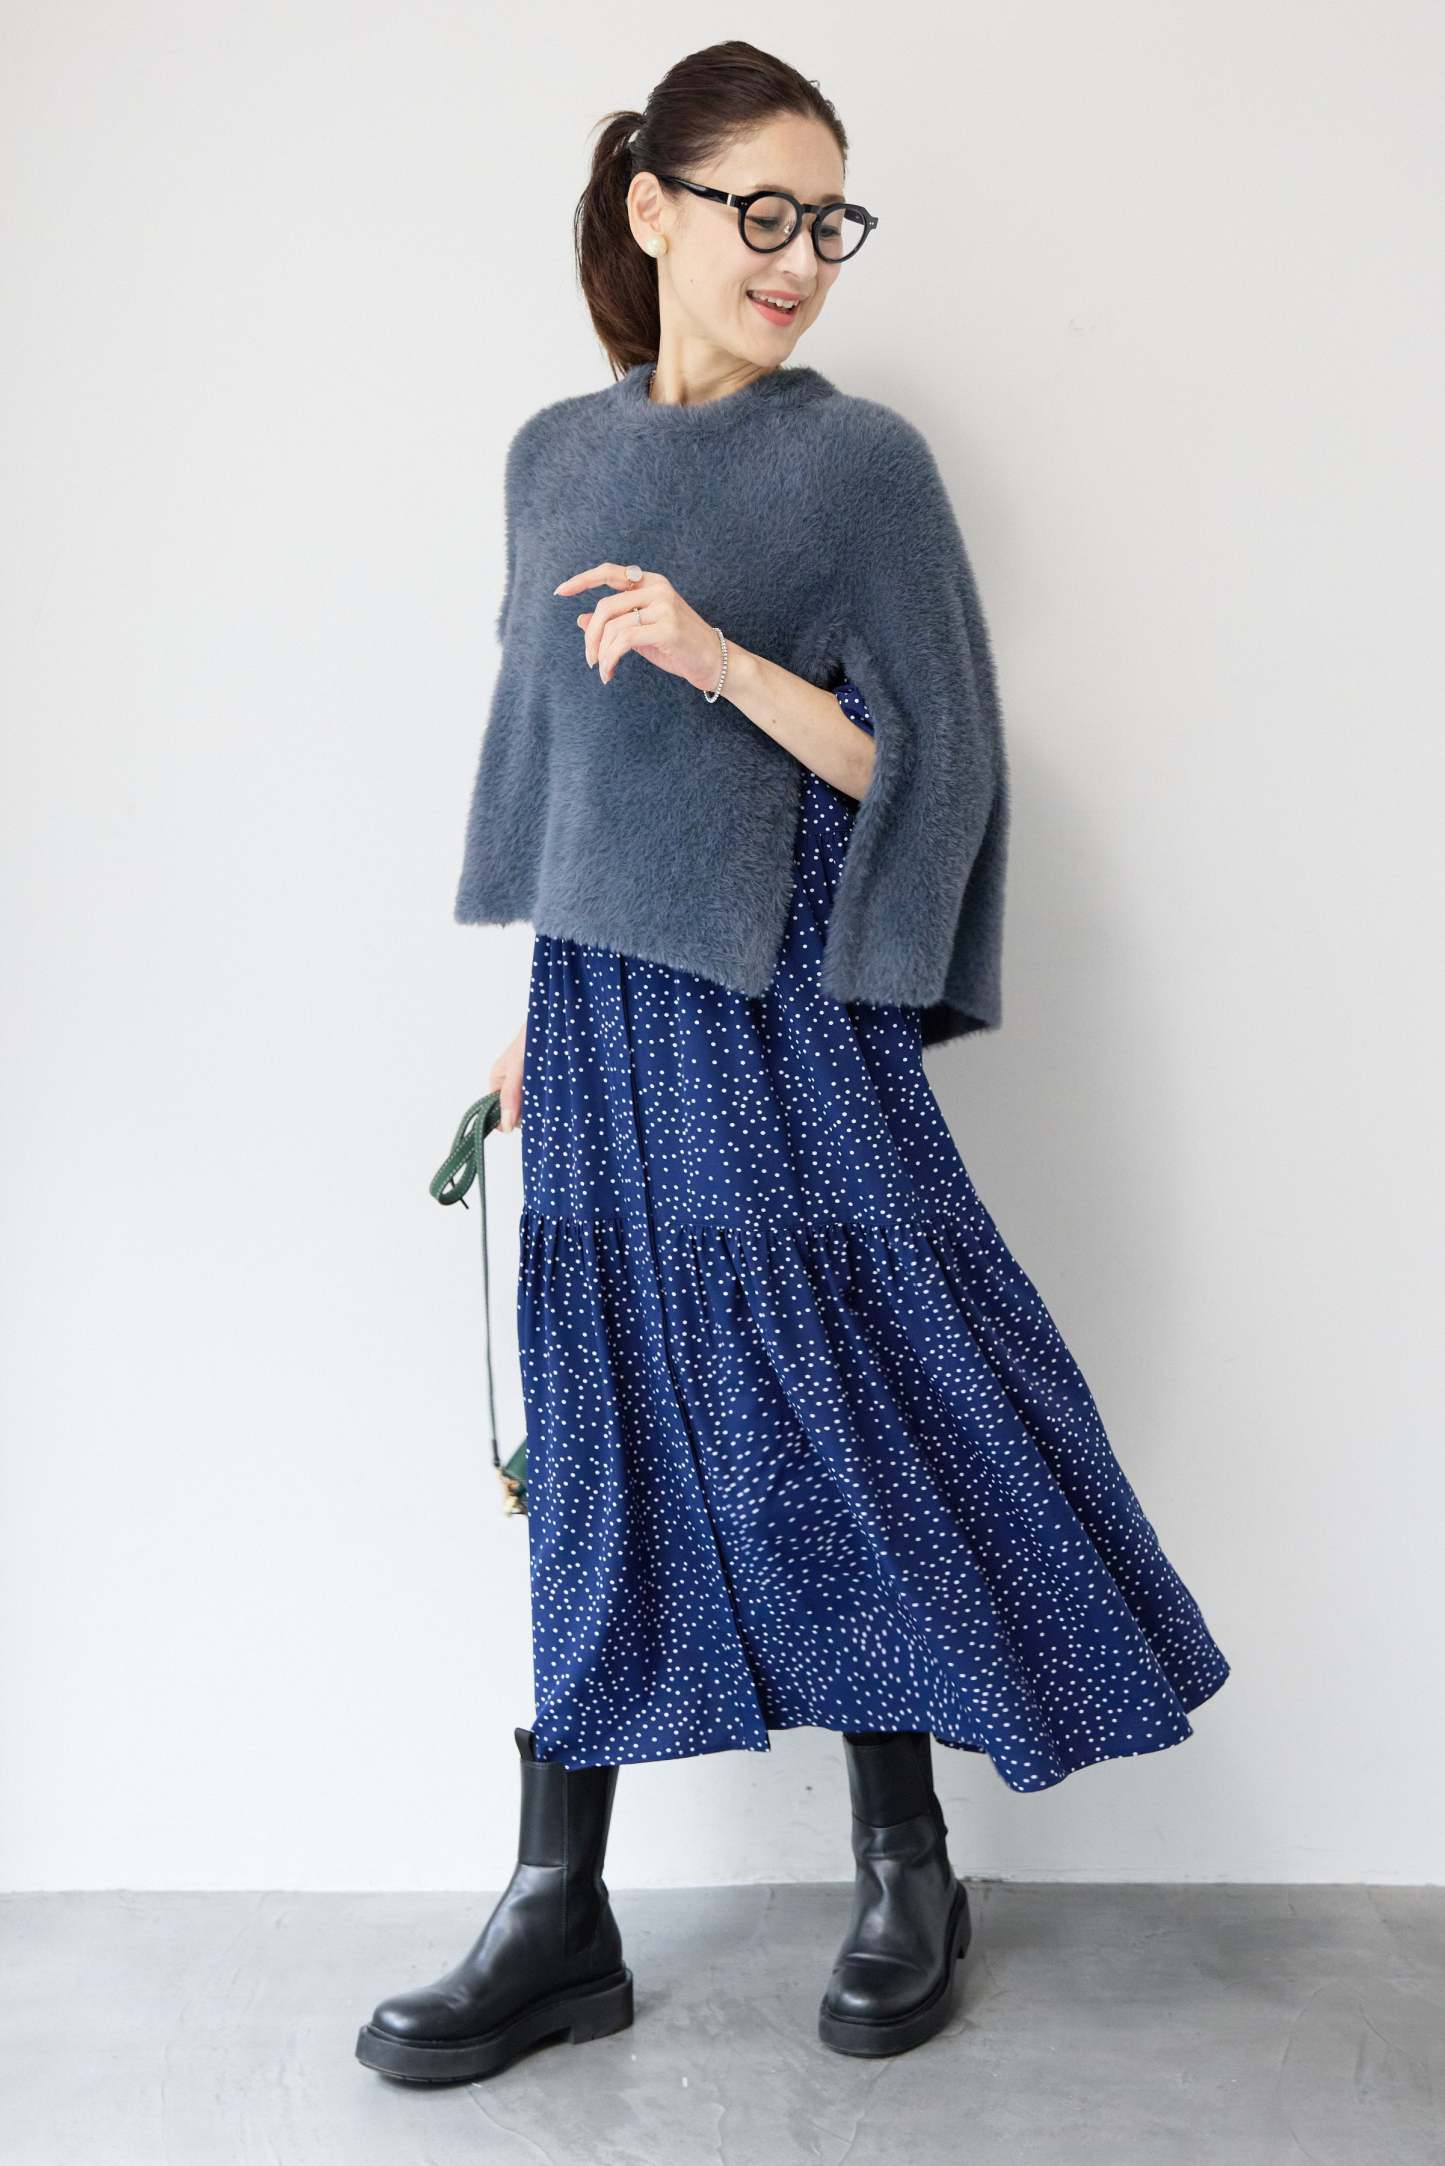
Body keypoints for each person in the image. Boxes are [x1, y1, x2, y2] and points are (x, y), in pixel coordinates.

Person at [356, 37, 1230, 2088]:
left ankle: (907, 1858)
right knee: (602, 1426)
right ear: (652, 207)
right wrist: (541, 1017)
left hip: (783, 1014)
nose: (799, 257)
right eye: (763, 210)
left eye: (828, 221)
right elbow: (579, 791)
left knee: (846, 1401)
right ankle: (557, 1906)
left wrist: (722, 655)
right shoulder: (551, 459)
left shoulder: (860, 468)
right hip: (606, 1014)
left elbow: (936, 765)